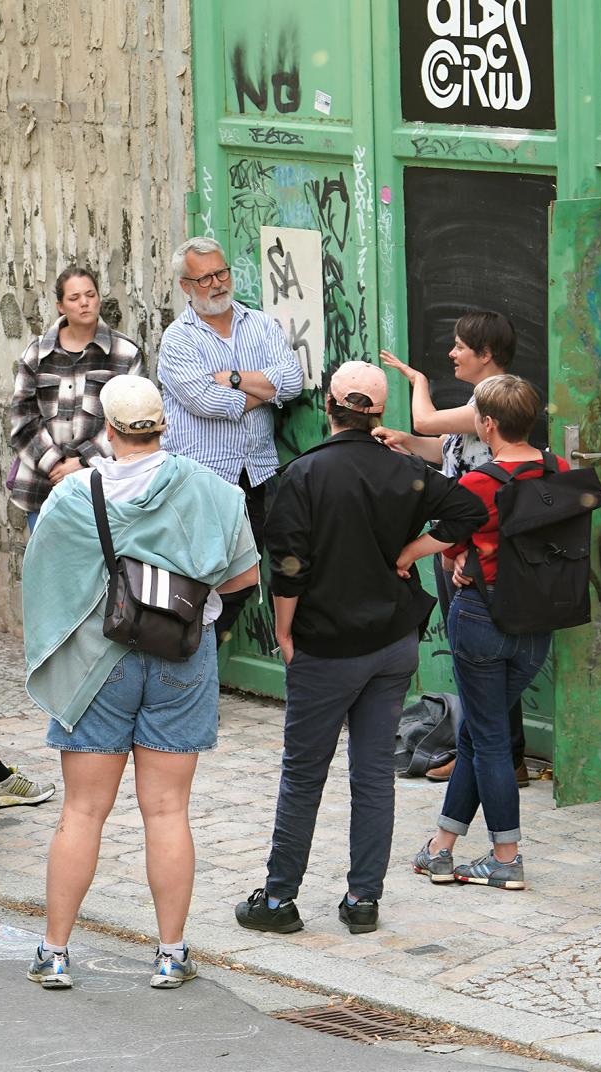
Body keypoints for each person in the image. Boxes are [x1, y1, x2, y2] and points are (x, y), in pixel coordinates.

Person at [21, 375, 259, 990]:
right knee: (168, 810)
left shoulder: (74, 495)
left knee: (82, 811)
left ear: (108, 428)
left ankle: (55, 953)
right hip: (181, 654)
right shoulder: (212, 489)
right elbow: (242, 579)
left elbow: (43, 580)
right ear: (163, 425)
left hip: (98, 662)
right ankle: (171, 954)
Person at [236, 362, 485, 938]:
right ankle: (363, 900)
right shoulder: (406, 470)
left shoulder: (302, 474)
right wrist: (413, 552)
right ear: (379, 413)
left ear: (329, 406)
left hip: (327, 646)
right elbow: (470, 511)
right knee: (373, 774)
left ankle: (279, 899)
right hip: (391, 643)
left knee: (304, 775)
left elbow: (289, 567)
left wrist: (284, 631)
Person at [398, 375, 558, 892]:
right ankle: (440, 849)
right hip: (537, 622)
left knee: (488, 739)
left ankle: (506, 857)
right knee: (475, 731)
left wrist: (453, 557)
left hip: (482, 618)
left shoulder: (478, 483)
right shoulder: (556, 469)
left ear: (486, 425)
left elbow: (447, 549)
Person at [375, 310, 529, 785]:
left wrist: (418, 381)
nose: (452, 354)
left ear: (486, 354)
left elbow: (425, 420)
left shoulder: (494, 397)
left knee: (477, 656)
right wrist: (405, 441)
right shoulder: (477, 403)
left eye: (460, 346)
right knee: (477, 656)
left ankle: (488, 756)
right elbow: (442, 447)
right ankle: (501, 755)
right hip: (461, 541)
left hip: (473, 545)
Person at [157, 236, 304, 549]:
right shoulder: (178, 340)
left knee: (250, 567)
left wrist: (234, 379)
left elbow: (292, 381)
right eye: (205, 278)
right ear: (185, 286)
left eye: (221, 272)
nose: (217, 283)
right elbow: (207, 401)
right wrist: (267, 390)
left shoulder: (261, 324)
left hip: (255, 473)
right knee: (204, 568)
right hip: (201, 478)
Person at [7, 265, 145, 529]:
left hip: (105, 487)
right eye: (74, 298)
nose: (84, 303)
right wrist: (55, 464)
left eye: (90, 295)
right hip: (43, 487)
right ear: (60, 306)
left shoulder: (126, 354)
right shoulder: (36, 353)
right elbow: (22, 420)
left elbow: (132, 420)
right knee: (47, 556)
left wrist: (83, 461)